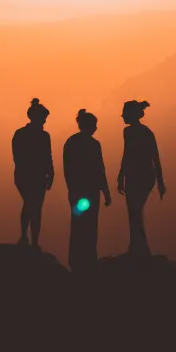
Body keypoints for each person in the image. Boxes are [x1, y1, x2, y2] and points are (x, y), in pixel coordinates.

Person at [63, 109, 111, 272]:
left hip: (78, 191)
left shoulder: (71, 142)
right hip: (89, 191)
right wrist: (106, 192)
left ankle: (76, 259)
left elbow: (67, 169)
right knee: (90, 226)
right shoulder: (93, 144)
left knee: (78, 224)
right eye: (95, 124)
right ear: (88, 125)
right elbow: (100, 170)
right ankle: (88, 258)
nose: (96, 128)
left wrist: (71, 189)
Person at [117, 100, 165, 256]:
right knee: (134, 212)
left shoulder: (142, 132)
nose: (122, 115)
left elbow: (154, 156)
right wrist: (121, 176)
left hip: (142, 176)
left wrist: (160, 182)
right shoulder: (133, 132)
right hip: (137, 175)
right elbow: (128, 154)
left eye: (124, 113)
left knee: (134, 211)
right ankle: (138, 247)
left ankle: (139, 249)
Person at [12, 98, 55, 250]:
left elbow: (47, 156)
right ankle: (29, 239)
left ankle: (28, 239)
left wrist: (50, 173)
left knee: (32, 205)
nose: (44, 122)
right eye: (43, 118)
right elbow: (20, 157)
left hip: (30, 176)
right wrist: (49, 174)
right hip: (30, 176)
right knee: (33, 205)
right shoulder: (36, 135)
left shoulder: (23, 134)